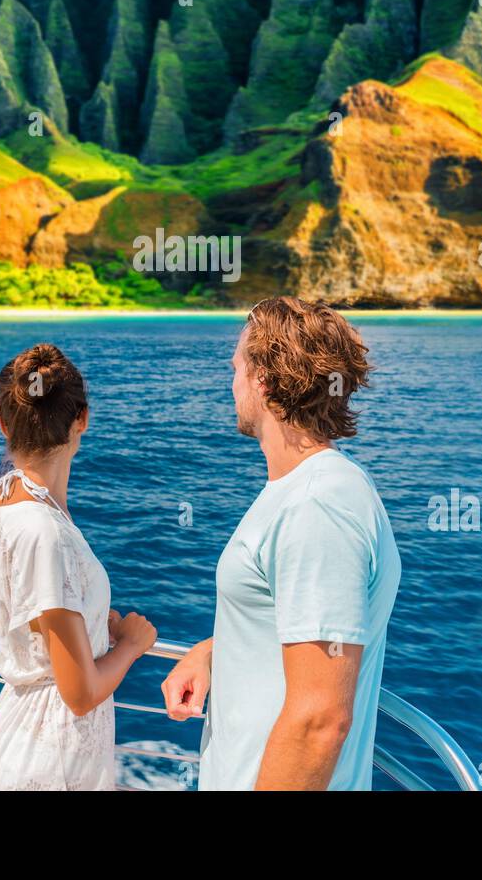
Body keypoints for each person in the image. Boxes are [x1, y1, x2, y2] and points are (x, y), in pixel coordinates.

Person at [161, 297, 402, 790]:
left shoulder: (317, 507)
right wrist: (211, 653)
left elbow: (320, 719)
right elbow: (293, 630)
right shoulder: (308, 491)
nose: (230, 384)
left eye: (236, 369)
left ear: (263, 381)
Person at [0, 343, 157, 790]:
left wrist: (68, 623)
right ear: (82, 418)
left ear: (5, 424)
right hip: (54, 755)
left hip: (16, 732)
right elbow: (81, 694)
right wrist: (129, 645)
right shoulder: (45, 532)